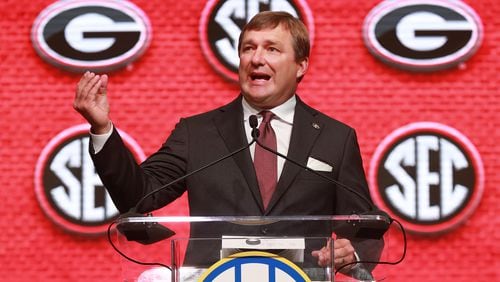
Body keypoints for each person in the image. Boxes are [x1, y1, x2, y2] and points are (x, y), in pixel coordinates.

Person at [73, 11, 379, 276]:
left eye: (272, 49)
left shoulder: (334, 138)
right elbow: (138, 195)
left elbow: (366, 227)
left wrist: (352, 253)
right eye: (248, 48)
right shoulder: (198, 132)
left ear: (301, 66)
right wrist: (102, 128)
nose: (256, 58)